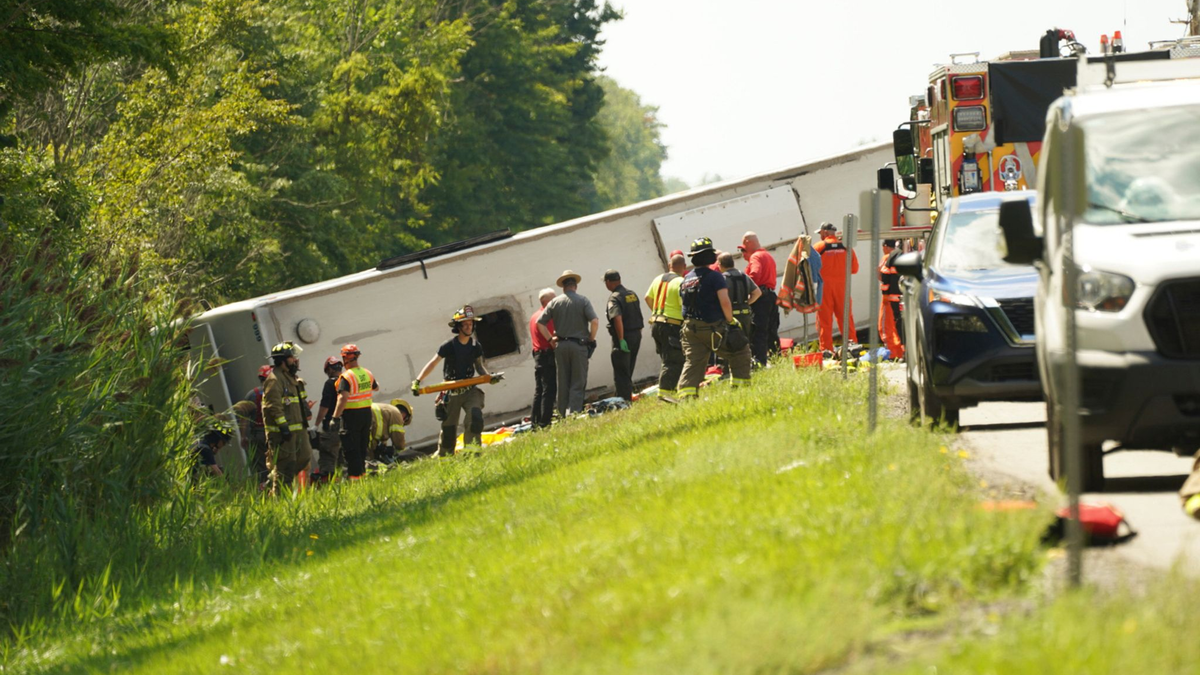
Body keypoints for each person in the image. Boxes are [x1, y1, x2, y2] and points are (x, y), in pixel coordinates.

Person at [413, 306, 498, 456]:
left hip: (470, 390)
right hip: (451, 392)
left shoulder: (475, 346)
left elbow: (479, 366)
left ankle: (472, 453)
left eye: (471, 324)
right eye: (465, 324)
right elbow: (433, 363)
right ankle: (445, 457)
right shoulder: (449, 346)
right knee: (449, 429)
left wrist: (489, 377)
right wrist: (418, 380)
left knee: (475, 418)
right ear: (458, 327)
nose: (469, 327)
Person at [677, 237, 753, 398]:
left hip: (690, 329)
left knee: (694, 361)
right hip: (712, 327)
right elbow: (725, 301)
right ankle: (741, 390)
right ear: (709, 256)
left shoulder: (686, 279)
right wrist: (731, 321)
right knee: (740, 351)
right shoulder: (715, 277)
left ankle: (686, 397)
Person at [537, 271, 599, 417]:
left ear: (563, 287)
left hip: (561, 346)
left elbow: (540, 323)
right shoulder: (583, 300)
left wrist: (550, 340)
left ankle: (562, 415)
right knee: (578, 381)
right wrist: (591, 338)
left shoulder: (554, 302)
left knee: (563, 382)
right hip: (579, 346)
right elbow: (595, 321)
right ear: (575, 286)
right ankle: (574, 414)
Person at [262, 342, 314, 491]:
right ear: (282, 360)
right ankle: (278, 494)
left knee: (304, 456)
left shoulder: (290, 378)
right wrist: (283, 427)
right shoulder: (274, 380)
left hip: (298, 430)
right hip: (283, 434)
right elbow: (274, 407)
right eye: (292, 357)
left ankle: (276, 480)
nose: (295, 360)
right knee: (286, 465)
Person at [330, 343, 377, 479]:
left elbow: (342, 398)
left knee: (352, 449)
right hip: (366, 414)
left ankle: (355, 479)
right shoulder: (367, 373)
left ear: (345, 359)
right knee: (362, 447)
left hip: (351, 416)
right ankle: (362, 475)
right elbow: (376, 387)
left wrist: (335, 418)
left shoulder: (346, 377)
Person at [644, 254, 687, 398]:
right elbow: (683, 305)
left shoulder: (658, 278)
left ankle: (670, 390)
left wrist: (657, 312)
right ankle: (666, 393)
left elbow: (647, 298)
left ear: (669, 265)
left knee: (666, 358)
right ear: (684, 267)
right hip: (672, 325)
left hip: (656, 324)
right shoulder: (681, 282)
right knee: (674, 359)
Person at [813, 222, 859, 353]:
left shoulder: (818, 247)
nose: (820, 235)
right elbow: (854, 269)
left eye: (820, 233)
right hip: (842, 289)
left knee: (824, 321)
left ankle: (826, 351)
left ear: (825, 232)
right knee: (846, 319)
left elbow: (810, 268)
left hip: (824, 289)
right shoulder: (847, 247)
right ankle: (853, 349)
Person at [603, 269, 645, 401]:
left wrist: (621, 339)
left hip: (624, 337)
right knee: (628, 368)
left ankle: (623, 401)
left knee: (621, 371)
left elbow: (617, 318)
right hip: (636, 335)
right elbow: (638, 315)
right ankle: (626, 396)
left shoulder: (614, 298)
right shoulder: (632, 294)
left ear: (608, 282)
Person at [740, 231, 779, 366]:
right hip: (771, 296)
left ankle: (760, 361)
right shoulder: (767, 255)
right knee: (772, 330)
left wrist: (745, 290)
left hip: (761, 299)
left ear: (748, 243)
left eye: (743, 248)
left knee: (758, 330)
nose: (742, 253)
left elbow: (755, 274)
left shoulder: (756, 257)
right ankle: (776, 358)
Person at [312, 356, 344, 480]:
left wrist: (316, 425)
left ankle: (328, 483)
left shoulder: (330, 383)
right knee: (343, 457)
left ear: (329, 369)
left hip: (332, 426)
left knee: (328, 457)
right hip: (347, 425)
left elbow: (325, 406)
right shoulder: (347, 382)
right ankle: (345, 482)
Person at [529, 288, 557, 428]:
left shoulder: (534, 316)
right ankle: (545, 422)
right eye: (554, 299)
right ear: (546, 302)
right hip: (546, 354)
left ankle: (535, 421)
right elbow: (552, 336)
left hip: (538, 354)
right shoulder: (546, 317)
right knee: (549, 389)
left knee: (539, 389)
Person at [240, 365, 272, 485]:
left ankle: (264, 486)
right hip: (274, 434)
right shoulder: (278, 392)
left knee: (261, 465)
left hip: (257, 435)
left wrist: (243, 436)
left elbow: (244, 418)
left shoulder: (252, 394)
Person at [719, 251, 761, 337]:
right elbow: (757, 293)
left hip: (731, 317)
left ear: (720, 265)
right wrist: (746, 303)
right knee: (746, 342)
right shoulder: (744, 276)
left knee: (732, 342)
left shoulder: (722, 279)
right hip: (746, 316)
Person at [878, 239, 905, 360]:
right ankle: (902, 351)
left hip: (890, 298)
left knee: (886, 326)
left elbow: (883, 275)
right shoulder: (905, 255)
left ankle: (892, 353)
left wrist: (884, 295)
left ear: (885, 246)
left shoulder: (888, 257)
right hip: (904, 298)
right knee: (901, 325)